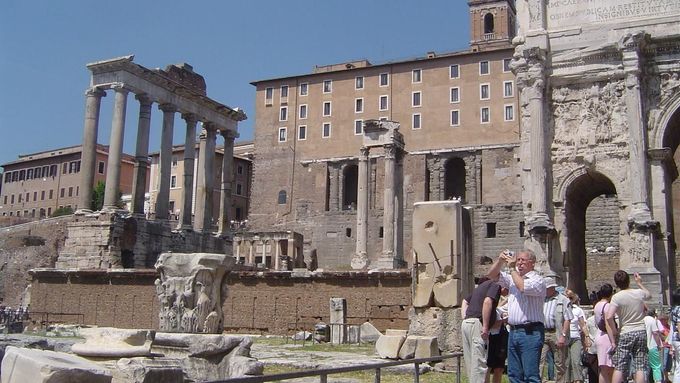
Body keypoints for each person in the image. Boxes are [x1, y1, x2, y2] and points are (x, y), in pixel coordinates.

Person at [487, 249, 546, 383]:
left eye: (522, 260)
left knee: (530, 375)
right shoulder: (513, 278)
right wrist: (500, 260)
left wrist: (512, 268)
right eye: (518, 260)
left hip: (530, 332)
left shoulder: (538, 280)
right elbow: (491, 275)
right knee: (514, 374)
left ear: (532, 263)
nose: (519, 263)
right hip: (513, 331)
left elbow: (522, 287)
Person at [605, 270, 651, 383]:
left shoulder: (616, 297)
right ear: (629, 280)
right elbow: (649, 295)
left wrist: (615, 330)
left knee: (620, 365)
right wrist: (639, 283)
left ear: (616, 283)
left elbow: (609, 316)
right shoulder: (639, 293)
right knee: (640, 365)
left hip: (626, 331)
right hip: (640, 330)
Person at [461, 275, 502, 383]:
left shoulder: (479, 288)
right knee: (479, 364)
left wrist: (464, 316)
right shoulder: (495, 285)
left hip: (467, 322)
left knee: (471, 363)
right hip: (477, 324)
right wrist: (485, 326)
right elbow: (487, 302)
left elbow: (465, 301)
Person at [540, 277, 574, 383]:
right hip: (543, 332)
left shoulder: (563, 300)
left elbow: (567, 319)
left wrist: (563, 335)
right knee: (539, 360)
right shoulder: (541, 299)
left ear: (553, 288)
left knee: (559, 362)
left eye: (547, 288)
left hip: (556, 332)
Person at [565, 289, 589, 383]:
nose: (569, 299)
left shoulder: (578, 310)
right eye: (567, 297)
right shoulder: (561, 309)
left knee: (576, 360)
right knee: (566, 363)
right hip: (565, 338)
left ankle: (578, 380)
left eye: (570, 298)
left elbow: (583, 325)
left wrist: (587, 337)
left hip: (575, 337)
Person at [594, 283, 615, 383]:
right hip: (606, 337)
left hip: (599, 335)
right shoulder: (607, 306)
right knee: (609, 368)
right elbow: (608, 325)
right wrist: (613, 341)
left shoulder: (597, 305)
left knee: (603, 369)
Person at [487, 286, 509, 383]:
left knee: (499, 367)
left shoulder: (499, 308)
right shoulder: (488, 304)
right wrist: (503, 320)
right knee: (488, 366)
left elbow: (501, 308)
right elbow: (491, 325)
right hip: (491, 337)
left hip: (501, 337)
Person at [643, 308, 663, 383]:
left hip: (643, 346)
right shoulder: (652, 320)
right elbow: (655, 333)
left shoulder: (642, 320)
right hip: (652, 345)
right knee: (656, 366)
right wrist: (659, 344)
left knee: (644, 366)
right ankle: (658, 381)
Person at [584, 312, 600, 383]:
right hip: (593, 348)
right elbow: (586, 332)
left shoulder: (590, 319)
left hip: (597, 348)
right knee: (593, 371)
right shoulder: (590, 320)